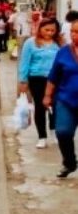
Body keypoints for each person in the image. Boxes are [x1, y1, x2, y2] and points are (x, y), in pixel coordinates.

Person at [19, 18, 62, 149]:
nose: (49, 33)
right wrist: (23, 80)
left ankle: (53, 131)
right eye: (46, 30)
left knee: (55, 106)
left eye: (52, 30)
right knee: (40, 107)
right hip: (37, 78)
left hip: (56, 79)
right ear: (40, 28)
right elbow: (24, 62)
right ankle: (42, 137)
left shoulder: (59, 44)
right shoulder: (31, 43)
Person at [43, 20, 78, 178]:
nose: (73, 35)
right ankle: (69, 162)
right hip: (66, 100)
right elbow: (53, 76)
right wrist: (47, 95)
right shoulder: (63, 52)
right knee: (63, 132)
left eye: (77, 32)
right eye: (72, 31)